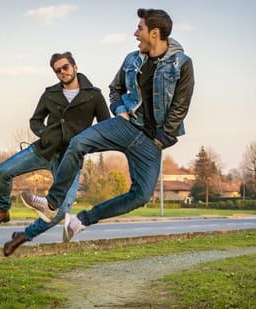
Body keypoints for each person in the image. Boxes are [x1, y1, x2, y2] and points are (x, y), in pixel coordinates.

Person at [18, 8, 194, 243]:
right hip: (127, 126)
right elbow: (115, 89)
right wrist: (120, 110)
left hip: (151, 142)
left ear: (154, 33)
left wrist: (162, 138)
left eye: (139, 28)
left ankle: (80, 221)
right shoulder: (132, 59)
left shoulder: (181, 64)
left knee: (141, 196)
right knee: (78, 142)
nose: (135, 33)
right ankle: (52, 204)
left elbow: (180, 107)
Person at [0, 52, 110, 256]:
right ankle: (3, 210)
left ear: (75, 67)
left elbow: (105, 127)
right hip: (44, 149)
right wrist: (45, 135)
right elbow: (35, 120)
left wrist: (86, 144)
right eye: (58, 70)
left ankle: (23, 236)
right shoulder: (50, 93)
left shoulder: (94, 95)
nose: (62, 72)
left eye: (65, 67)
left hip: (70, 158)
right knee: (4, 170)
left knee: (60, 210)